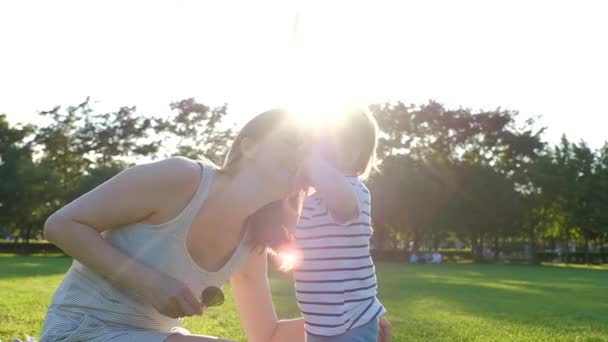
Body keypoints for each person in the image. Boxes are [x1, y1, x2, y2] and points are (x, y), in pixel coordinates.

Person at [37, 109, 310, 342]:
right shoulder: (180, 178)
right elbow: (61, 225)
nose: (301, 156)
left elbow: (267, 335)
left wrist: (350, 318)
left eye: (308, 152)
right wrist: (148, 282)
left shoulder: (252, 241)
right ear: (249, 146)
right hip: (79, 331)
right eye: (290, 142)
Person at [291, 107, 390, 342]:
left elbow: (343, 202)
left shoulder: (353, 191)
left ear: (357, 153)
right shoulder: (311, 201)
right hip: (320, 322)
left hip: (350, 320)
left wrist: (310, 162)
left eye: (341, 141)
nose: (329, 148)